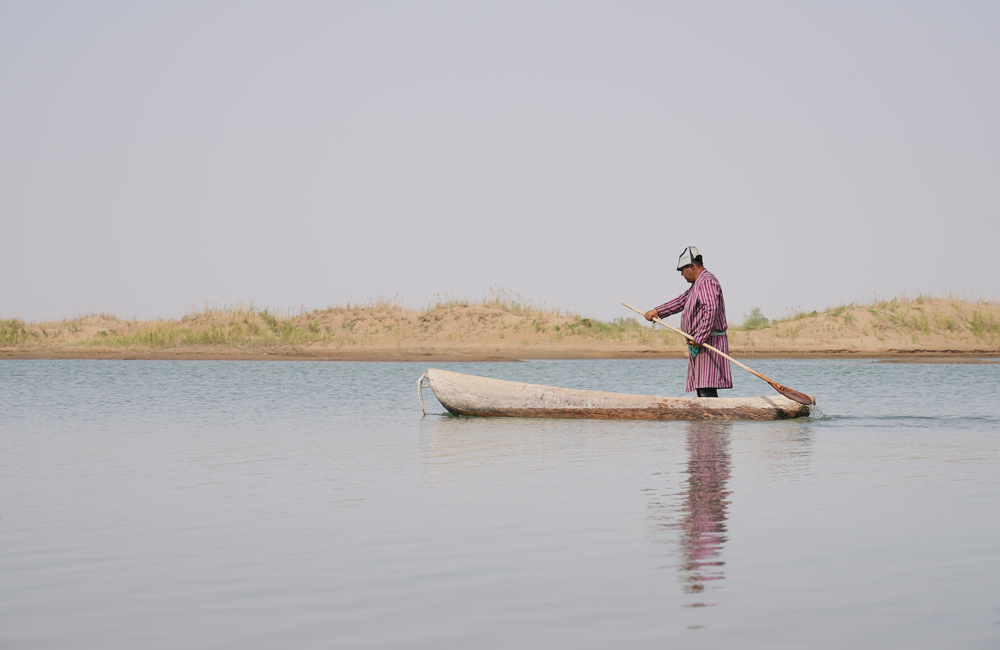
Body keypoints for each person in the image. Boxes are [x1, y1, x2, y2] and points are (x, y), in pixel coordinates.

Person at [644, 246, 732, 397]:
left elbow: (710, 309)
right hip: (701, 342)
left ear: (692, 266)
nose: (681, 274)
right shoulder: (697, 285)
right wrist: (657, 311)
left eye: (682, 269)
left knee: (706, 386)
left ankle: (709, 418)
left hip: (708, 342)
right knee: (702, 386)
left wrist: (700, 337)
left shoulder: (707, 282)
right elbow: (681, 301)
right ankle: (705, 419)